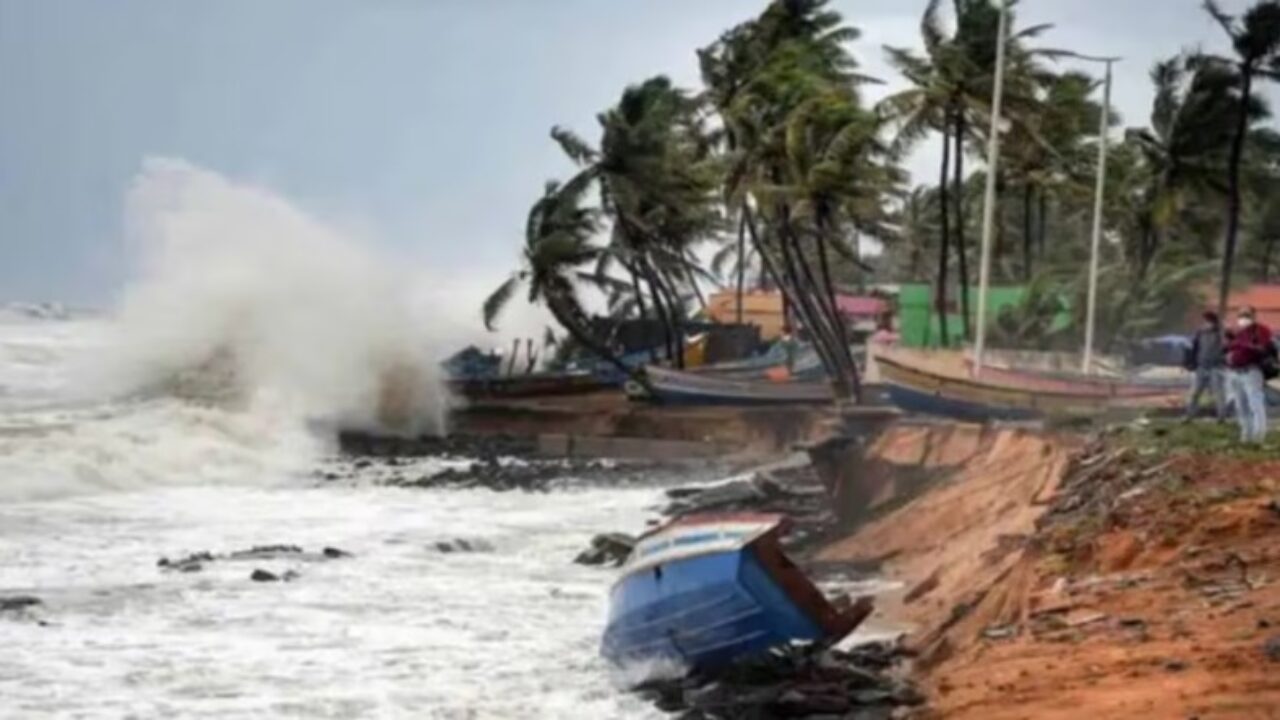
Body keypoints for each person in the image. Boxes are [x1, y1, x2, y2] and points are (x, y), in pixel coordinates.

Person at [1224, 306, 1273, 443]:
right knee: (1241, 406)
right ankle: (1246, 436)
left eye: (1246, 315)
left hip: (1251, 371)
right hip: (1235, 372)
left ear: (1253, 315)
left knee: (1255, 405)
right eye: (1240, 315)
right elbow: (1228, 348)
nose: (1243, 318)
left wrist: (1241, 344)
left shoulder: (1261, 330)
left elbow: (1262, 348)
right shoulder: (1239, 332)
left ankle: (1258, 437)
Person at [1183, 311, 1227, 422]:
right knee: (1195, 393)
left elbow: (1226, 346)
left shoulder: (1220, 333)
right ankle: (1189, 415)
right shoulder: (1200, 333)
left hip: (1216, 367)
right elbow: (1194, 348)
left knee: (1219, 393)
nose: (1205, 323)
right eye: (1204, 321)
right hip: (1201, 367)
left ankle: (1221, 417)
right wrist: (1191, 363)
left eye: (1208, 321)